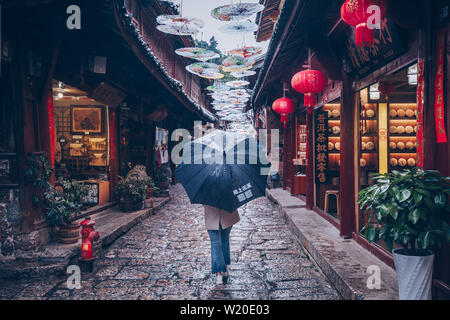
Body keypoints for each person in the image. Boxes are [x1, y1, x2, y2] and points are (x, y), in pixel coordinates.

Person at [204, 205, 240, 285]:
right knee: (221, 241)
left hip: (215, 214)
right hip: (224, 212)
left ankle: (220, 273)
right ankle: (222, 270)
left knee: (218, 242)